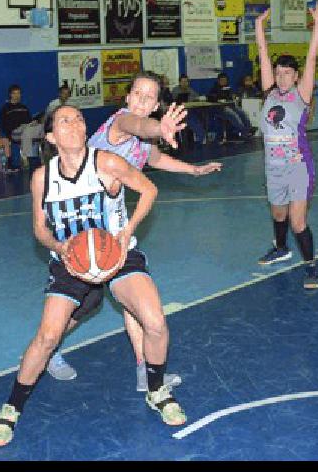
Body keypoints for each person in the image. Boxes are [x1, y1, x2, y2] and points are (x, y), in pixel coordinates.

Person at [0, 104, 185, 448]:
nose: (75, 122)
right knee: (48, 337)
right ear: (51, 136)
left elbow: (149, 190)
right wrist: (59, 247)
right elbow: (39, 229)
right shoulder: (42, 178)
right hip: (71, 261)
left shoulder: (106, 162)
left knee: (155, 322)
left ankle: (156, 390)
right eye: (65, 119)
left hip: (117, 254)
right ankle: (12, 406)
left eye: (79, 117)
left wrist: (127, 232)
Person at [46, 72, 222, 391]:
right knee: (85, 303)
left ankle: (145, 371)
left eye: (149, 97)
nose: (141, 100)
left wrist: (193, 170)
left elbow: (156, 158)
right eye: (137, 94)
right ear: (127, 99)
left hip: (111, 233)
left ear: (157, 103)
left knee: (131, 302)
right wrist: (159, 126)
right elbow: (138, 125)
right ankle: (48, 349)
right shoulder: (122, 122)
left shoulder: (144, 141)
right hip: (81, 232)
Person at [254, 1, 318, 289]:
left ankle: (311, 267)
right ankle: (281, 248)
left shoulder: (301, 96)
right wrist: (259, 26)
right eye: (279, 72)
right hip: (273, 168)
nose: (282, 76)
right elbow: (262, 54)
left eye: (287, 72)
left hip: (298, 167)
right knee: (278, 215)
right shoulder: (269, 94)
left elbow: (311, 59)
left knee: (298, 221)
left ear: (295, 76)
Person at [207, 72, 256, 143]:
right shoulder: (214, 89)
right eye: (222, 80)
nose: (224, 82)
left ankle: (249, 129)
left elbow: (232, 97)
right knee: (233, 114)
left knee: (241, 112)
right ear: (218, 81)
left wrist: (233, 97)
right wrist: (217, 98)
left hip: (229, 106)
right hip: (219, 109)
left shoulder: (228, 88)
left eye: (225, 80)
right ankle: (243, 132)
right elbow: (210, 97)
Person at [0, 84, 33, 171]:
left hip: (28, 129)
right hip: (14, 133)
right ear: (10, 95)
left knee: (41, 128)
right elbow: (4, 125)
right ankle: (25, 158)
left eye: (18, 93)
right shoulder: (6, 108)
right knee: (26, 131)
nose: (17, 95)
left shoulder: (24, 108)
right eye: (14, 93)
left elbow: (30, 121)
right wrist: (8, 135)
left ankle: (48, 160)